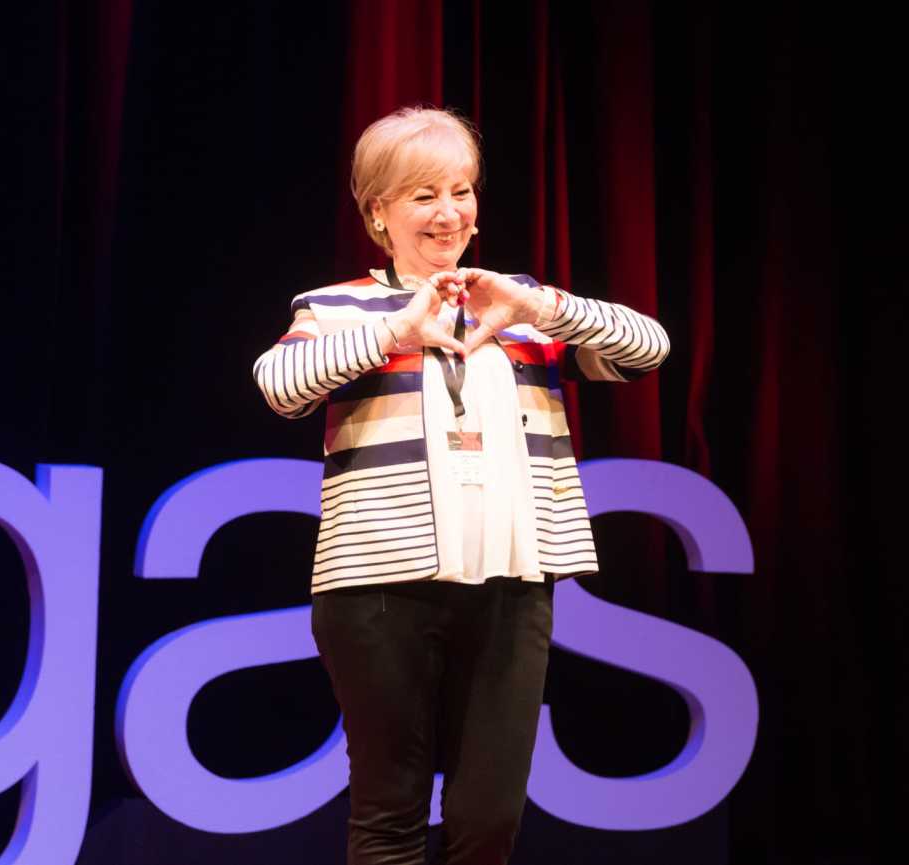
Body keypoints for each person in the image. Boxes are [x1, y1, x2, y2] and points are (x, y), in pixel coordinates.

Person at [253, 107, 669, 865]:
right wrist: (395, 330)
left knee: (489, 820)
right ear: (378, 213)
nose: (448, 213)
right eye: (423, 195)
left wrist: (538, 305)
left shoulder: (517, 305)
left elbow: (649, 349)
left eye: (461, 191)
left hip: (512, 582)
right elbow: (279, 385)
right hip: (378, 586)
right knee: (391, 812)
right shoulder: (339, 306)